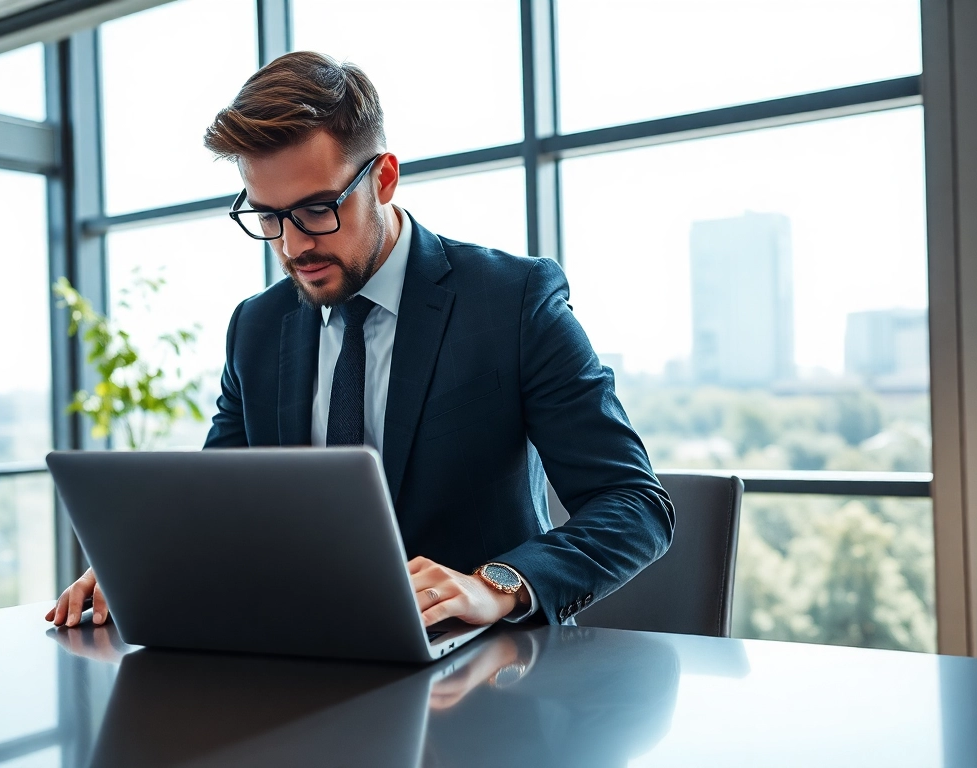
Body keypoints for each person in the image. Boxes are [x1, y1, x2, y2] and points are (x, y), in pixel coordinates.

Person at [47, 51, 673, 630]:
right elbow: (221, 507)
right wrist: (141, 569)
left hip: (478, 671)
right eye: (268, 216)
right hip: (301, 659)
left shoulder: (511, 301)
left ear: (384, 178)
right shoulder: (257, 328)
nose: (293, 247)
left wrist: (498, 584)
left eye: (318, 210)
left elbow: (635, 503)